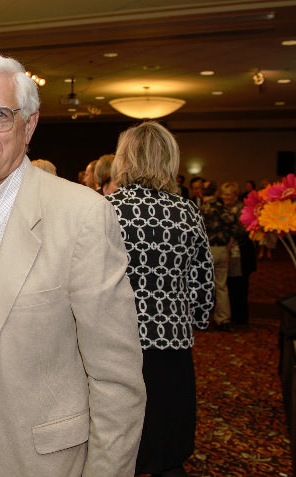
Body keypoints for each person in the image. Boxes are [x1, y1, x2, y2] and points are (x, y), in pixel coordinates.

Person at [0, 52, 145, 477]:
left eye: (0, 115)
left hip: (40, 457)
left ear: (29, 125)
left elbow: (117, 383)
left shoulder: (81, 215)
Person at [107, 121, 215, 477]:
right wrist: (194, 317)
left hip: (117, 345)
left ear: (124, 160)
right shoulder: (188, 212)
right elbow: (203, 284)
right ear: (170, 159)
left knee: (118, 445)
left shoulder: (105, 210)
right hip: (172, 349)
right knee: (168, 450)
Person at [221, 182, 256, 325]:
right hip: (227, 254)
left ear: (235, 195)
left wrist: (227, 233)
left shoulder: (242, 209)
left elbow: (242, 231)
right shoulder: (223, 209)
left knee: (240, 287)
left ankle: (240, 318)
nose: (225, 197)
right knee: (228, 285)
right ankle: (231, 315)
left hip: (240, 254)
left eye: (228, 194)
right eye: (223, 193)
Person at [200, 181, 232, 331]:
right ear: (216, 193)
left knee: (203, 284)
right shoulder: (223, 209)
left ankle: (202, 318)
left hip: (204, 251)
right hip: (222, 249)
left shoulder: (199, 210)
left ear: (201, 193)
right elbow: (238, 228)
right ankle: (223, 319)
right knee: (221, 286)